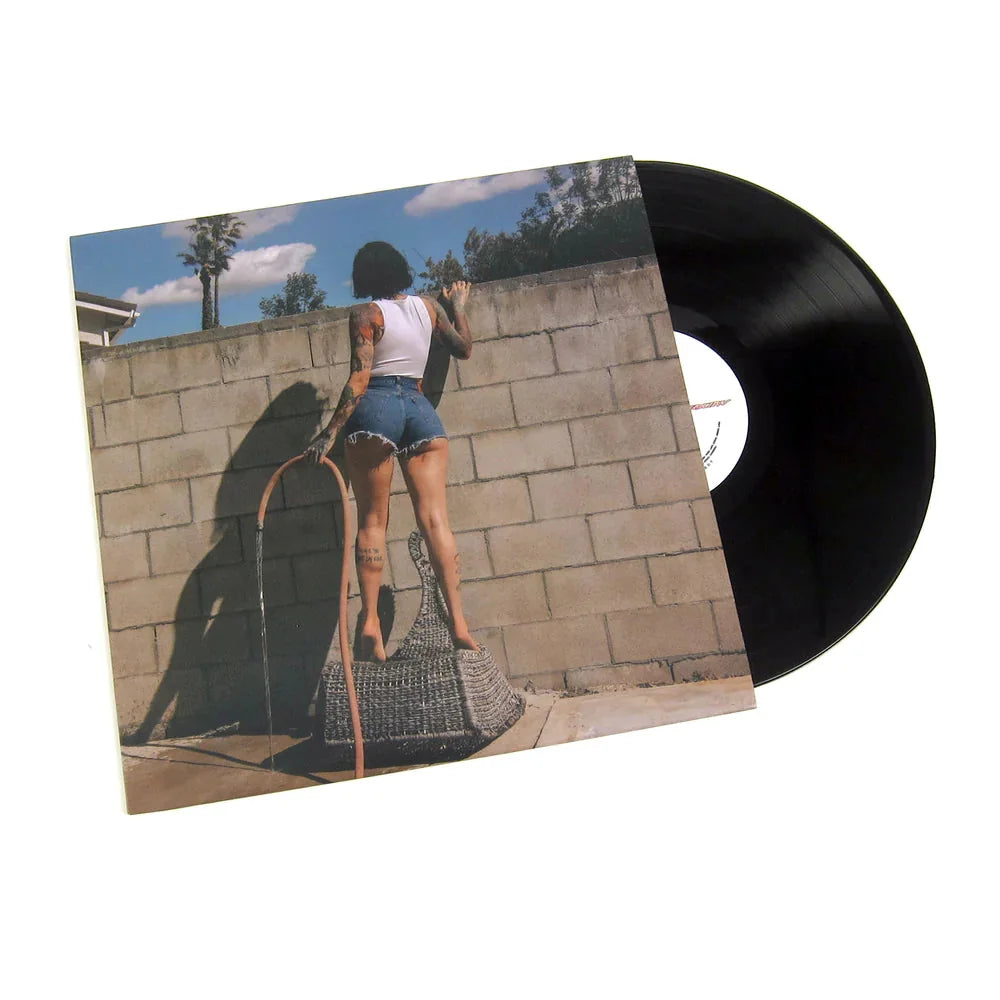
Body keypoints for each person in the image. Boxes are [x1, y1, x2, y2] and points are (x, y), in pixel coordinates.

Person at [304, 241, 477, 662]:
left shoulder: (367, 315)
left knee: (372, 521)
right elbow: (464, 348)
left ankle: (370, 624)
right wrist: (457, 306)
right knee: (436, 520)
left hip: (376, 408)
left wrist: (329, 433)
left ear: (363, 276)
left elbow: (359, 378)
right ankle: (459, 623)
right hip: (420, 409)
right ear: (400, 269)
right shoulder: (429, 308)